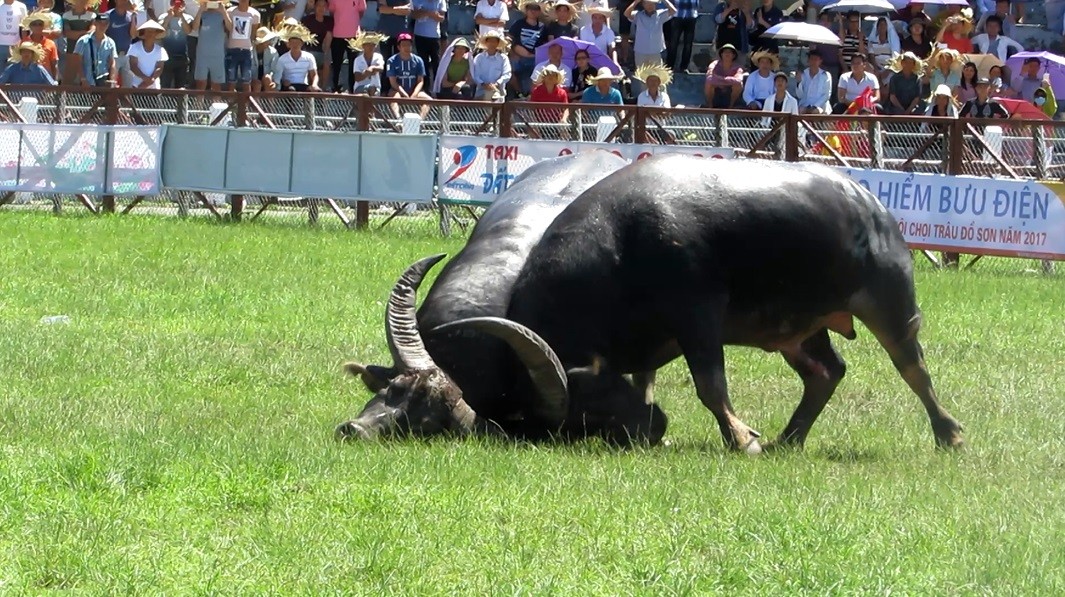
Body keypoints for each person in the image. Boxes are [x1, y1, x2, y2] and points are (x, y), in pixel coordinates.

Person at [507, 0, 545, 97]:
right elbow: (509, 39)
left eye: (536, 8)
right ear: (526, 10)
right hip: (517, 58)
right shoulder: (518, 24)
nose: (533, 11)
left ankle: (528, 96)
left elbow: (545, 45)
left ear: (539, 11)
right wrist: (512, 53)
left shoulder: (543, 27)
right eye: (530, 8)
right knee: (508, 72)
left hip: (534, 60)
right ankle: (519, 94)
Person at [328, 0, 365, 93]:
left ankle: (352, 89)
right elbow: (331, 12)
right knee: (336, 63)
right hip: (337, 34)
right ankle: (335, 88)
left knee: (353, 64)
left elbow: (362, 11)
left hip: (354, 35)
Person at [191, 0, 229, 91]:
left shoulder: (223, 14)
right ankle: (198, 105)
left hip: (218, 56)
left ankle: (216, 104)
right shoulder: (201, 13)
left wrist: (223, 12)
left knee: (216, 85)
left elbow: (230, 28)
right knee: (200, 84)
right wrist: (200, 10)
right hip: (202, 55)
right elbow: (194, 27)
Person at [624, 0, 675, 68]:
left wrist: (664, 0)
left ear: (655, 5)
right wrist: (636, 2)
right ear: (643, 5)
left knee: (656, 75)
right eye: (647, 3)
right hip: (640, 51)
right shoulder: (638, 15)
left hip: (656, 51)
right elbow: (626, 14)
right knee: (640, 76)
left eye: (652, 4)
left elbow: (673, 11)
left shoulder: (661, 14)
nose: (650, 6)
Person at [223, 0, 259, 91]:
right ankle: (230, 102)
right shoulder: (230, 12)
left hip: (246, 50)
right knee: (231, 80)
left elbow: (253, 34)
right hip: (232, 49)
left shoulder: (255, 14)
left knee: (246, 80)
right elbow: (227, 30)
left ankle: (246, 104)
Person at [273, 22, 320, 91]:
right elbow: (278, 77)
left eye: (297, 42)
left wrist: (314, 85)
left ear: (302, 43)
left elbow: (314, 74)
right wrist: (282, 82)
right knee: (291, 90)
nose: (295, 45)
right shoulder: (282, 59)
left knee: (317, 91)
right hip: (289, 86)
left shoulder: (309, 57)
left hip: (304, 85)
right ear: (288, 44)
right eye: (292, 42)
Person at [73, 12, 116, 86]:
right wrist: (83, 79)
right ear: (95, 23)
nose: (102, 26)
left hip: (103, 81)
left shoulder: (110, 42)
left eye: (105, 23)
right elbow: (78, 62)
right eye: (100, 23)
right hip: (87, 82)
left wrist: (111, 80)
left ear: (108, 25)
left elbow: (112, 63)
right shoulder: (83, 41)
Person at [375, 0, 408, 95]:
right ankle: (385, 89)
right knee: (386, 62)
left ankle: (400, 89)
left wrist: (391, 9)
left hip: (401, 33)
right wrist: (399, 10)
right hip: (385, 32)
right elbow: (382, 9)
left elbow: (408, 10)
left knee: (400, 61)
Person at [385, 31, 429, 100]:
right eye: (404, 45)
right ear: (399, 47)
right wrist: (404, 94)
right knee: (395, 98)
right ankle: (396, 111)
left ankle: (423, 111)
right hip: (397, 91)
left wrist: (414, 94)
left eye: (409, 45)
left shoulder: (419, 60)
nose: (407, 47)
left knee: (429, 100)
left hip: (415, 91)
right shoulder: (391, 61)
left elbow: (420, 81)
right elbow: (393, 82)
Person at [159, 0, 192, 88]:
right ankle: (164, 102)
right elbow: (159, 34)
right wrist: (168, 19)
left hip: (182, 57)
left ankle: (181, 102)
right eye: (174, 3)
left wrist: (181, 17)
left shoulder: (188, 17)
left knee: (181, 87)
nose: (177, 6)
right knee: (165, 86)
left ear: (184, 5)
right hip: (166, 58)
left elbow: (188, 31)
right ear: (171, 4)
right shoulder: (163, 16)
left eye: (180, 4)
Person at [126, 19, 167, 88]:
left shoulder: (160, 50)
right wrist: (144, 78)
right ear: (144, 33)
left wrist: (151, 80)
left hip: (154, 87)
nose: (150, 34)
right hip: (136, 85)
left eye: (153, 31)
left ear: (156, 33)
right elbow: (133, 65)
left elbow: (160, 67)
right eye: (148, 31)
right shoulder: (135, 47)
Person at [471, 28, 509, 101]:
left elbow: (507, 74)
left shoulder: (503, 58)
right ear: (486, 42)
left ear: (497, 43)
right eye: (490, 41)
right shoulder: (479, 58)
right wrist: (484, 85)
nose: (492, 43)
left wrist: (496, 84)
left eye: (494, 41)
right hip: (481, 93)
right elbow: (475, 75)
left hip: (499, 93)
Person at [411, 0, 444, 85]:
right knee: (423, 63)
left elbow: (441, 18)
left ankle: (438, 88)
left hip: (435, 36)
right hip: (420, 35)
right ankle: (425, 88)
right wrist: (429, 13)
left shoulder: (440, 1)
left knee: (436, 63)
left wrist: (427, 13)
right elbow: (413, 15)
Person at [529, 62, 568, 134]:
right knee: (532, 130)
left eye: (553, 75)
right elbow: (531, 109)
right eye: (548, 74)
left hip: (557, 124)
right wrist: (533, 122)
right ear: (544, 77)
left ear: (557, 78)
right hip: (539, 123)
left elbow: (566, 109)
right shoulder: (536, 91)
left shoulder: (562, 93)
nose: (551, 76)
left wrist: (564, 119)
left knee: (564, 130)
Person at [301, 0, 332, 91]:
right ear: (314, 6)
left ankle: (323, 88)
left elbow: (328, 37)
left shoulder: (329, 21)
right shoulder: (307, 20)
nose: (321, 8)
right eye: (319, 5)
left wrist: (325, 52)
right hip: (308, 50)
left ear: (326, 8)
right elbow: (303, 37)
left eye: (324, 6)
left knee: (327, 61)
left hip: (321, 50)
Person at [103, 0, 135, 87]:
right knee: (111, 85)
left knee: (128, 87)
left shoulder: (130, 16)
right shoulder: (108, 15)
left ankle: (126, 101)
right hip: (112, 56)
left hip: (127, 55)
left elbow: (133, 35)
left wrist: (133, 18)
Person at [62, 0, 95, 84]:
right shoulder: (66, 15)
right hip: (71, 49)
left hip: (87, 50)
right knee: (69, 76)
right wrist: (84, 33)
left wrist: (76, 34)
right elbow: (68, 34)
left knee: (87, 76)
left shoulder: (92, 15)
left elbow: (92, 32)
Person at [703, 42, 743, 108]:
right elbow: (709, 77)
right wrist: (726, 81)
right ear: (721, 54)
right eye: (725, 52)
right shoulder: (714, 64)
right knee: (709, 83)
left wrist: (721, 79)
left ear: (733, 55)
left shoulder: (737, 67)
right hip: (716, 90)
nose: (727, 54)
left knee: (739, 85)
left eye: (730, 52)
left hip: (729, 90)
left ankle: (731, 106)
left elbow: (738, 80)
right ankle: (710, 106)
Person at [21, 12, 59, 78]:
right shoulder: (24, 42)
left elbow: (54, 64)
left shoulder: (51, 43)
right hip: (27, 77)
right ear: (30, 26)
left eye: (40, 24)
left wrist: (54, 81)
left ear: (43, 27)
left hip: (45, 78)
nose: (37, 26)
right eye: (34, 24)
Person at [713, 0, 749, 66]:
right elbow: (717, 20)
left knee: (738, 72)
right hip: (722, 47)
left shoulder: (744, 7)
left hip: (739, 48)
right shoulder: (721, 6)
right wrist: (730, 9)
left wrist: (746, 13)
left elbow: (750, 26)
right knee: (720, 71)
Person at [796, 49, 832, 114]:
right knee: (799, 111)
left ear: (820, 61)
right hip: (805, 104)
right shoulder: (803, 74)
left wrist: (815, 106)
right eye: (811, 59)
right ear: (808, 60)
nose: (813, 62)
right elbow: (799, 95)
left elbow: (826, 95)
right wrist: (799, 82)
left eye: (816, 59)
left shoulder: (825, 75)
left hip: (820, 105)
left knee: (815, 112)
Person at [349, 29, 384, 95]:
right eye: (368, 44)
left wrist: (372, 68)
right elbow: (357, 78)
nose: (371, 47)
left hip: (375, 87)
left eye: (372, 44)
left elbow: (381, 68)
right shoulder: (358, 60)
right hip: (360, 87)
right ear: (363, 46)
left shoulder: (378, 56)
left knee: (372, 90)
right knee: (363, 95)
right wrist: (366, 73)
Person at [865, 16, 899, 82]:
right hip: (876, 68)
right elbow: (872, 57)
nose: (882, 27)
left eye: (884, 25)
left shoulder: (892, 41)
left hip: (890, 69)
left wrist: (888, 70)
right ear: (877, 27)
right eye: (880, 25)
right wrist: (876, 69)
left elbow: (895, 58)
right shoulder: (872, 41)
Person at [665, 0, 695, 72]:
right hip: (677, 16)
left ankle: (684, 67)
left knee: (688, 44)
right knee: (673, 43)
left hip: (691, 16)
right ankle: (669, 66)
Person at [0, 0, 29, 67]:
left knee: (14, 70)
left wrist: (23, 42)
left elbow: (25, 26)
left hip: (16, 45)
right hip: (0, 45)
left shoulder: (21, 6)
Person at [251, 26, 278, 91]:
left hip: (267, 80)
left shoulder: (273, 52)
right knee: (257, 84)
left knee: (267, 78)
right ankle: (255, 101)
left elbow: (275, 69)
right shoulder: (249, 52)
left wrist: (274, 81)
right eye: (267, 40)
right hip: (252, 80)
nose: (269, 42)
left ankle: (270, 101)